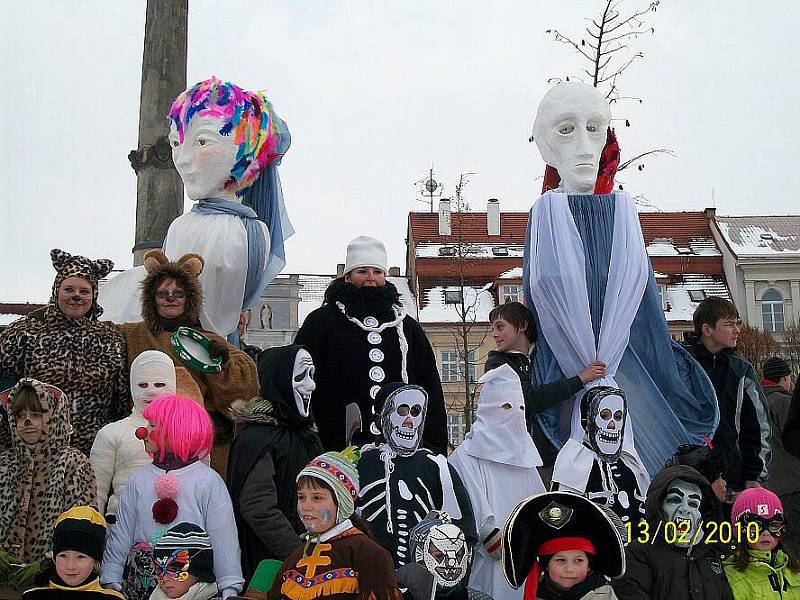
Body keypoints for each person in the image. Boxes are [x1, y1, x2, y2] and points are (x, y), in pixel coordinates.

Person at [522, 82, 718, 475]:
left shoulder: (624, 214)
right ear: (544, 145)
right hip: (564, 383)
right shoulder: (543, 218)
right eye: (565, 129)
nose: (582, 144)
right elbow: (537, 308)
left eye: (594, 128)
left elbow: (645, 313)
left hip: (628, 379)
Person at [99, 75, 293, 339]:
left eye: (202, 141)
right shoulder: (181, 225)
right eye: (176, 144)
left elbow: (217, 312)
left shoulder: (248, 232)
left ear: (246, 153)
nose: (183, 159)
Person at [295, 236, 447, 454]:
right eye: (362, 271)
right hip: (335, 445)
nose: (371, 279)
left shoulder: (407, 328)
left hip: (399, 449)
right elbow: (301, 381)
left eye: (377, 272)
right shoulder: (321, 322)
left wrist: (433, 448)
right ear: (348, 276)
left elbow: (429, 386)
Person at [117, 249, 259, 474]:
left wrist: (220, 365)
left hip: (200, 447)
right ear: (152, 299)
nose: (170, 298)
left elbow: (244, 397)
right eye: (163, 293)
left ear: (189, 299)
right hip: (147, 443)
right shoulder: (132, 335)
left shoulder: (209, 340)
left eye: (178, 293)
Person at [101, 395, 243, 600]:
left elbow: (223, 538)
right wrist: (111, 575)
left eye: (151, 425)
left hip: (190, 584)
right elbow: (122, 533)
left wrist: (229, 585)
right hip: (141, 583)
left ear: (175, 431)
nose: (143, 432)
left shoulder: (207, 481)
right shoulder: (138, 480)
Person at [0, 249, 129, 455]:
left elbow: (121, 398)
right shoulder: (25, 333)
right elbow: (4, 386)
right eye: (69, 289)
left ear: (94, 295)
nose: (77, 296)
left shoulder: (110, 338)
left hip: (93, 451)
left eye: (84, 291)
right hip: (35, 453)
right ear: (56, 291)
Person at [227, 344, 324, 584]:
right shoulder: (258, 439)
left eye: (312, 376)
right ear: (278, 379)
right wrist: (300, 554)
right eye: (301, 376)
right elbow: (258, 507)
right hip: (273, 567)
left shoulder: (304, 434)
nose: (310, 385)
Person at [449, 365, 545, 600]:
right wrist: (492, 537)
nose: (514, 413)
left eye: (520, 408)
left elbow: (539, 501)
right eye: (506, 406)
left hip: (527, 559)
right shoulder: (467, 455)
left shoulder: (526, 458)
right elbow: (470, 500)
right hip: (492, 561)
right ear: (489, 408)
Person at [357, 383, 476, 568]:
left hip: (426, 581)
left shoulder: (436, 465)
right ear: (381, 418)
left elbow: (462, 530)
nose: (409, 421)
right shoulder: (360, 463)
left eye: (415, 412)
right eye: (401, 411)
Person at [484, 302, 605, 480]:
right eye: (493, 328)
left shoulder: (545, 356)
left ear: (523, 326)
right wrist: (580, 379)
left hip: (558, 452)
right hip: (521, 458)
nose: (495, 334)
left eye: (500, 327)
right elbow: (527, 399)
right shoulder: (497, 364)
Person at [0, 379, 97, 590]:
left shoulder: (74, 464)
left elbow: (82, 526)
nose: (27, 423)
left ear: (53, 417)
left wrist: (46, 563)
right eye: (20, 416)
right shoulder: (4, 463)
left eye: (36, 415)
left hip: (53, 582)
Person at [268, 449, 400, 600]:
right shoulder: (294, 559)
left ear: (341, 503)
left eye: (317, 497)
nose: (306, 506)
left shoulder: (370, 555)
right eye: (301, 497)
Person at [685, 296, 771, 493]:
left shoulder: (741, 370)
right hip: (688, 476)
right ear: (707, 330)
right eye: (729, 324)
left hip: (734, 478)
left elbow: (757, 427)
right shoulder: (682, 364)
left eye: (737, 323)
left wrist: (754, 475)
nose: (737, 330)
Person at [612, 464, 733, 600]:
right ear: (657, 506)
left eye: (693, 503)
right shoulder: (637, 554)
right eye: (674, 500)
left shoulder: (710, 556)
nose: (685, 509)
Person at [90, 351, 179, 518]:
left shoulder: (188, 429)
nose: (151, 391)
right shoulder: (111, 433)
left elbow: (202, 485)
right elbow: (96, 493)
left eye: (159, 384)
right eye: (142, 385)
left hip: (177, 532)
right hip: (122, 528)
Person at [550, 386, 649, 528]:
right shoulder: (574, 461)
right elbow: (560, 517)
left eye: (618, 417)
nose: (611, 424)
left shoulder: (629, 460)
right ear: (587, 420)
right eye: (604, 416)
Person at [501, 491, 625, 600]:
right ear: (546, 565)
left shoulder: (602, 597)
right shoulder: (538, 594)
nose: (569, 569)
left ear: (589, 566)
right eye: (560, 560)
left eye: (578, 560)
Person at [21, 506, 125, 600]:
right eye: (63, 555)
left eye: (80, 556)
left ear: (95, 562)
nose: (70, 566)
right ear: (54, 558)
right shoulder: (32, 596)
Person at [724, 487, 800, 598]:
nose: (766, 533)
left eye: (774, 525)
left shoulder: (794, 569)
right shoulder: (731, 576)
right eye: (755, 526)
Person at [398, 511, 491, 600]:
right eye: (439, 556)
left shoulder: (477, 598)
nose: (451, 563)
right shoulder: (395, 595)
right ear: (419, 555)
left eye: (458, 555)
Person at [761, 357, 800, 556]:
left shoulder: (757, 401)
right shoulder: (784, 403)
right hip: (793, 486)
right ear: (785, 378)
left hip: (770, 490)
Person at [150, 522, 221, 600]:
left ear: (199, 571)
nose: (164, 578)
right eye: (159, 569)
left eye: (174, 569)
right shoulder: (156, 596)